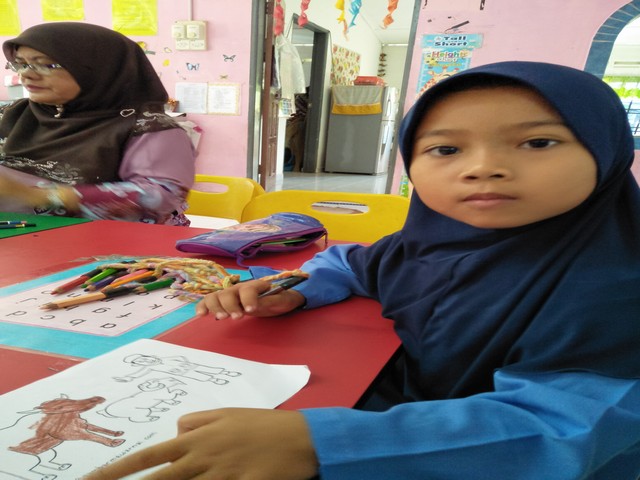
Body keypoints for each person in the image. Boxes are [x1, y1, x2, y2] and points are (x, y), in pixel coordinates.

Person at [85, 61, 640, 479]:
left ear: (607, 151)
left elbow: (565, 428)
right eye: (446, 150)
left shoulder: (614, 287)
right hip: (408, 413)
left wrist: (324, 443)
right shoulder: (427, 242)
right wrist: (296, 288)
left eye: (538, 142)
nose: (484, 167)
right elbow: (350, 260)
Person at [0, 22, 195, 224]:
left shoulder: (148, 127)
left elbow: (162, 196)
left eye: (47, 65)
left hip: (112, 241)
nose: (26, 74)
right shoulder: (13, 114)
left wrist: (48, 196)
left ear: (99, 70)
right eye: (21, 64)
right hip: (19, 235)